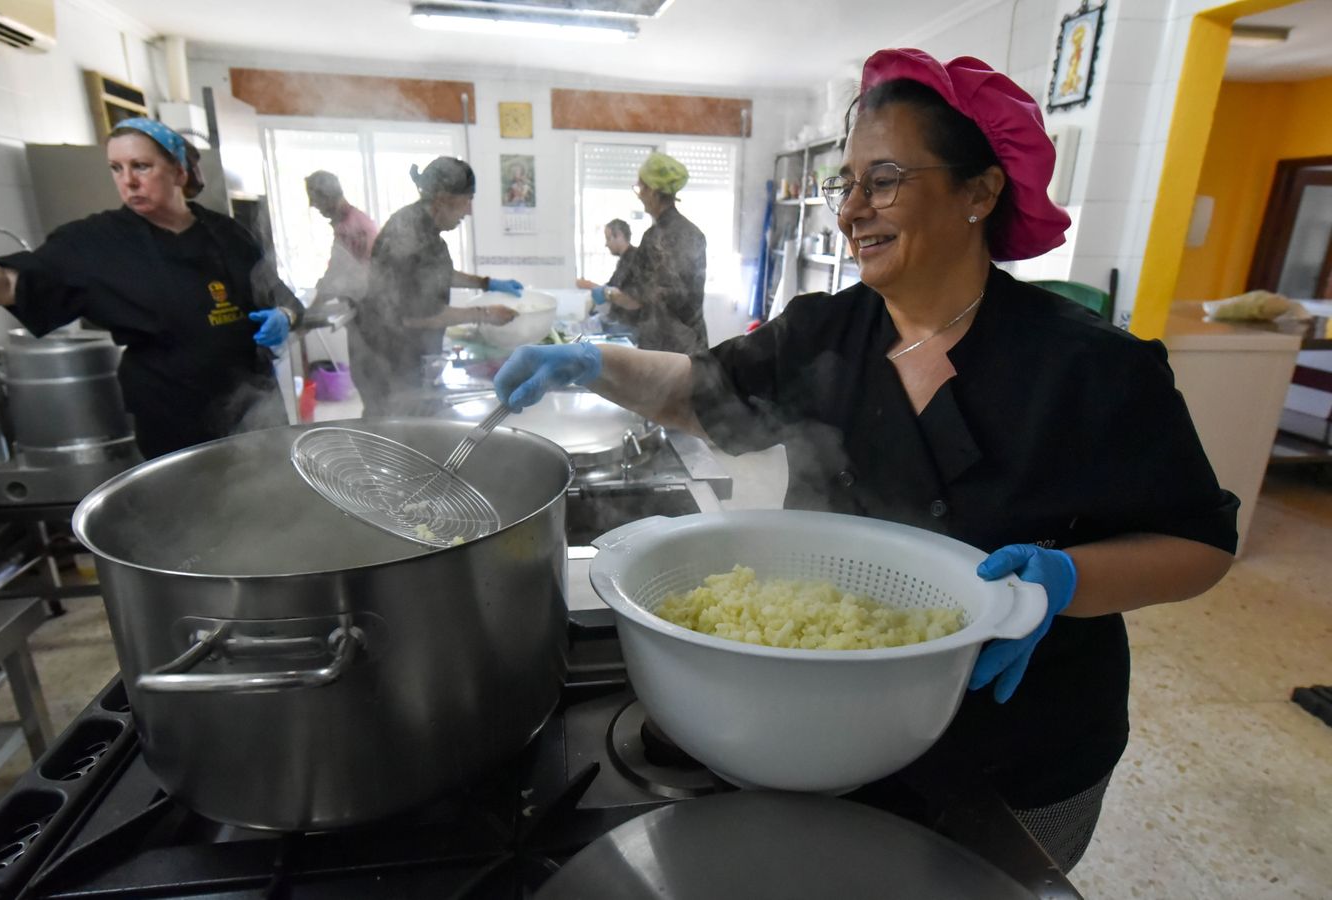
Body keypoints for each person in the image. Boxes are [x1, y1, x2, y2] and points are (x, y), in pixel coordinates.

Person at [492, 49, 1237, 872]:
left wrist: (1063, 581)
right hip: (827, 718)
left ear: (980, 192)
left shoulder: (1092, 366)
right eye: (843, 184)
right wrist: (595, 364)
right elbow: (703, 393)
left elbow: (1199, 547)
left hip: (1019, 740)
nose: (850, 210)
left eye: (881, 181)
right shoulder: (828, 329)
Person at [0, 117, 301, 460]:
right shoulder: (93, 242)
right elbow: (9, 284)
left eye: (142, 166)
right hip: (171, 414)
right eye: (116, 169)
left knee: (271, 511)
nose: (128, 181)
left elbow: (285, 298)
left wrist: (286, 318)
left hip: (256, 406)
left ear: (178, 170)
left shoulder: (229, 233)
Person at [353, 156, 522, 416]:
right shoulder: (412, 233)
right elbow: (416, 316)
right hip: (388, 359)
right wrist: (485, 315)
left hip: (398, 355)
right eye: (468, 200)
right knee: (393, 435)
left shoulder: (420, 226)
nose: (469, 210)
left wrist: (486, 283)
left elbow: (436, 275)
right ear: (443, 199)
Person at [596, 152, 708, 353]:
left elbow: (635, 299)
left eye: (641, 188)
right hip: (692, 342)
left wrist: (607, 293)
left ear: (655, 192)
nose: (639, 195)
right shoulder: (694, 233)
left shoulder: (654, 237)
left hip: (663, 346)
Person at [305, 170, 378, 304]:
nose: (312, 204)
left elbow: (336, 274)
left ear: (327, 196)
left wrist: (307, 308)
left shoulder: (349, 228)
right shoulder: (354, 220)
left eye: (314, 199)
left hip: (366, 304)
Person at [576, 218, 638, 334]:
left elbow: (626, 296)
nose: (606, 244)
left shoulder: (635, 260)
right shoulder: (624, 260)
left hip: (628, 325)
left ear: (619, 235)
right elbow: (611, 287)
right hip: (618, 320)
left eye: (608, 239)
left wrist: (590, 285)